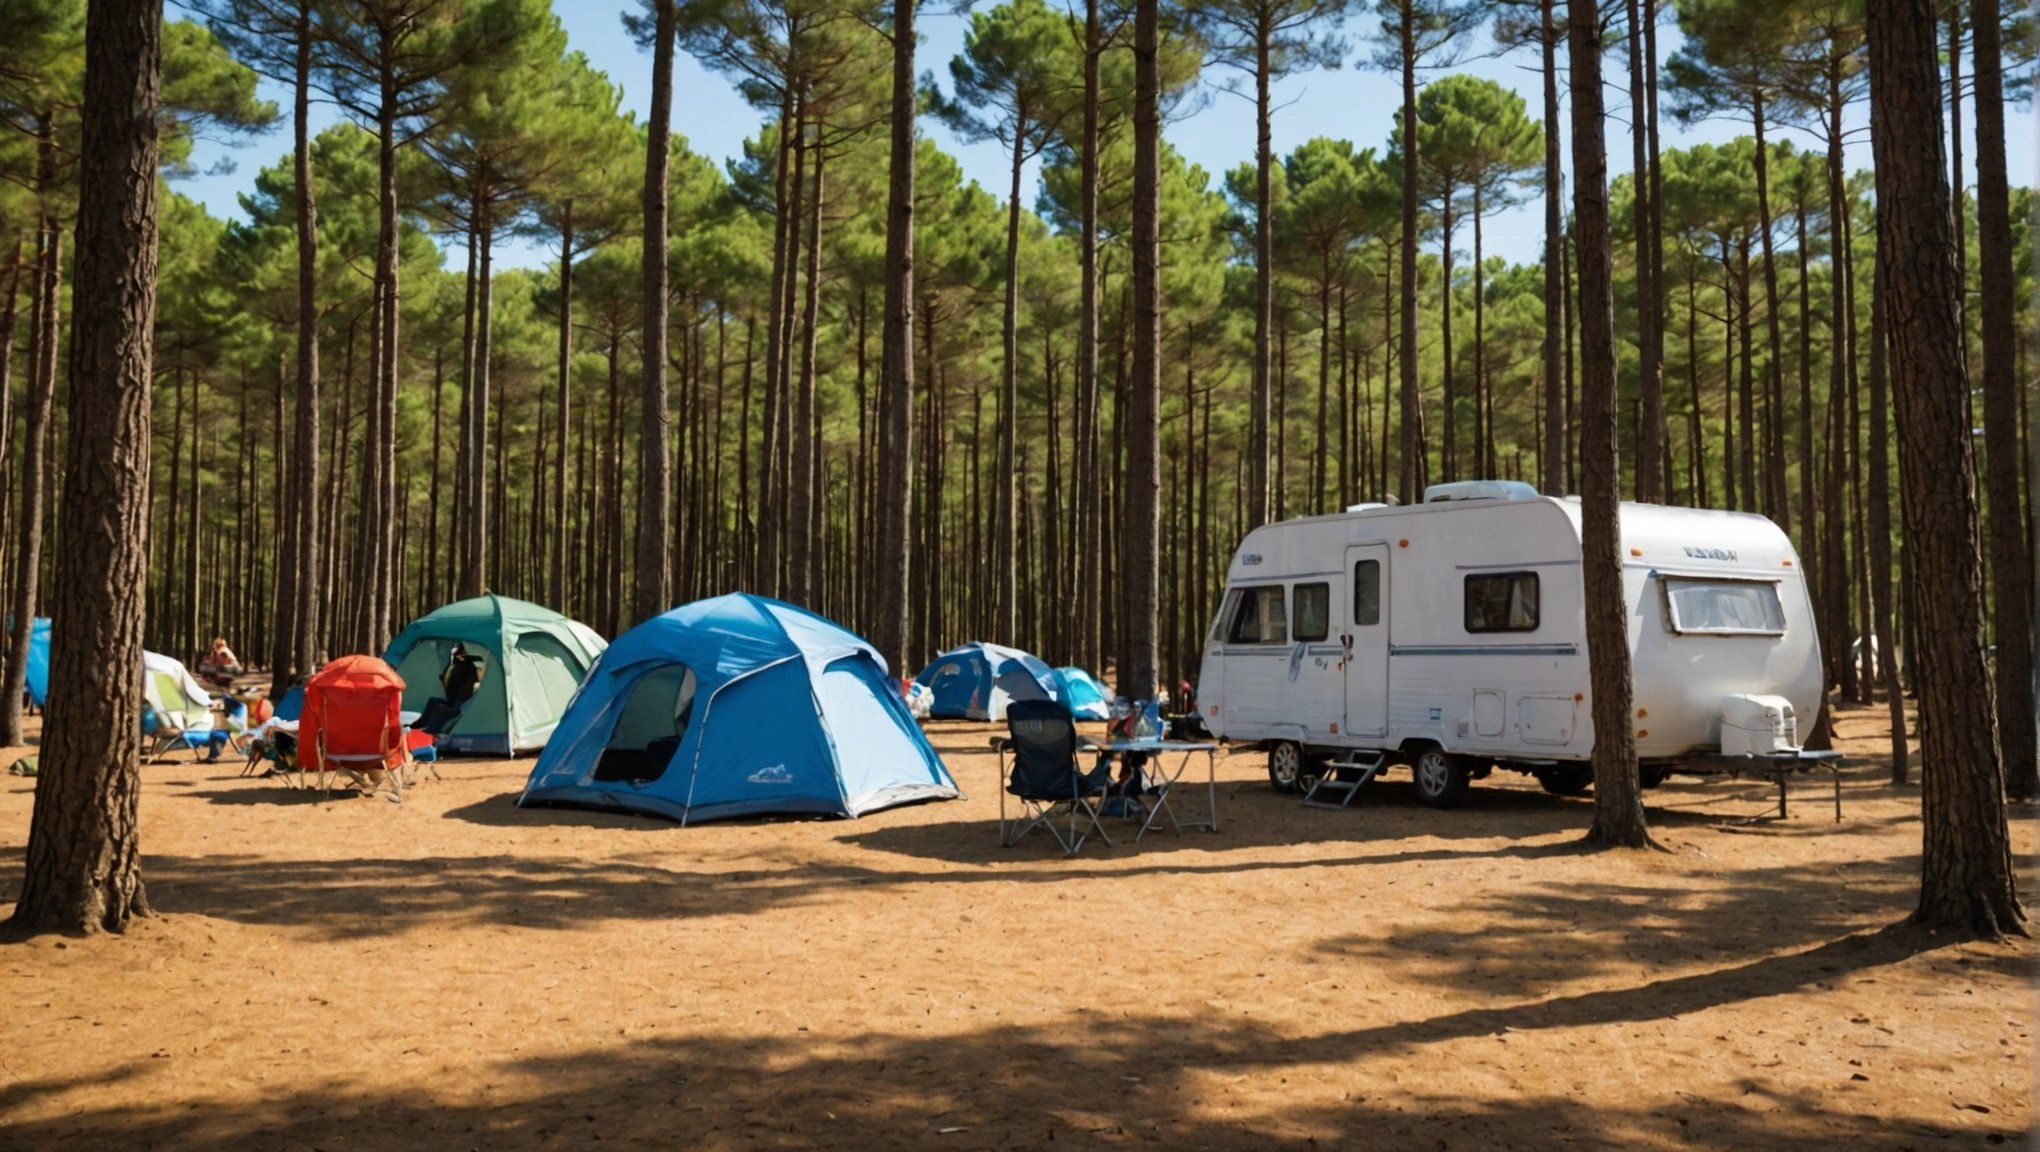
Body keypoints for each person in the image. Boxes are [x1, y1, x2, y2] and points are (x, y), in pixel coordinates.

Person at [441, 643, 483, 708]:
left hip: (458, 702)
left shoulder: (467, 667)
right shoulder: (454, 664)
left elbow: (467, 688)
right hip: (452, 699)